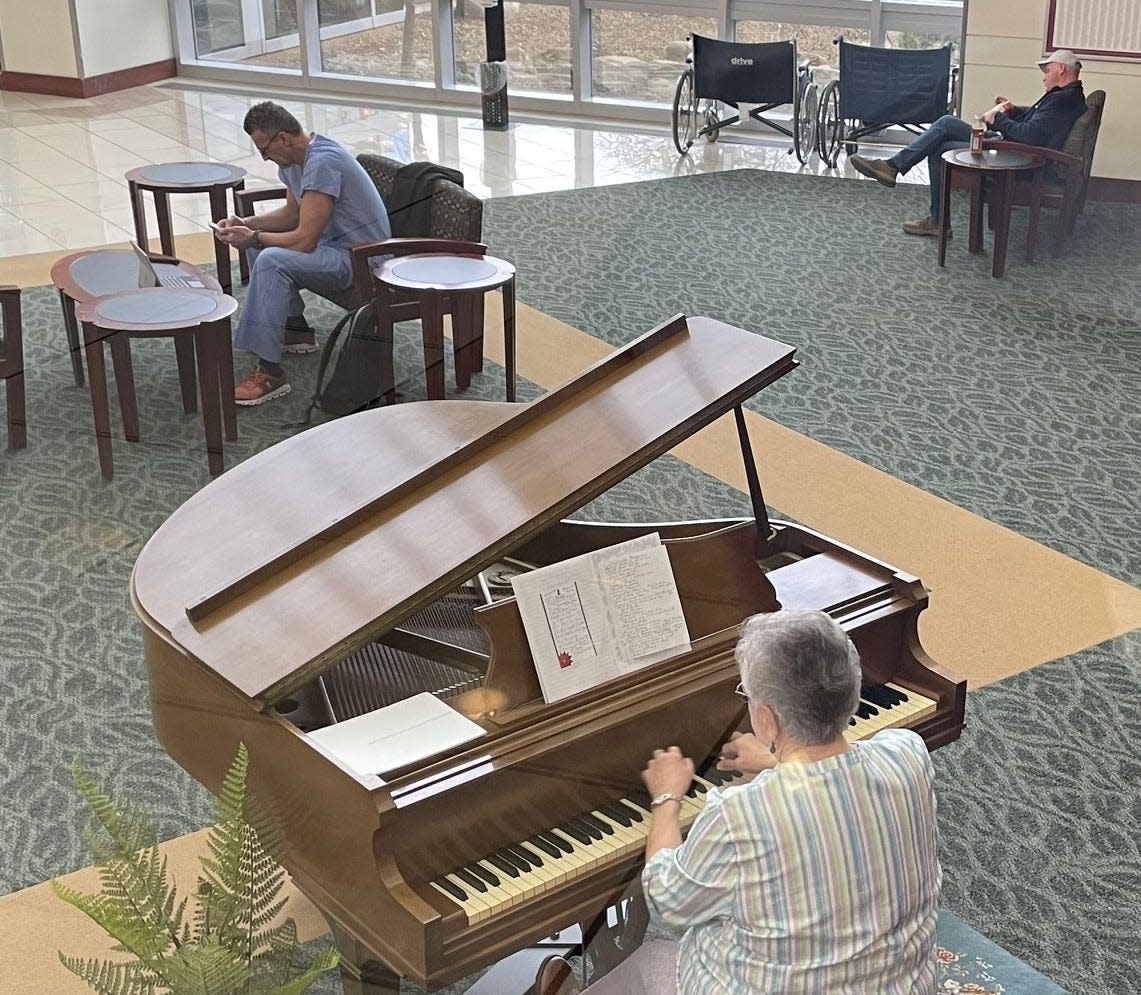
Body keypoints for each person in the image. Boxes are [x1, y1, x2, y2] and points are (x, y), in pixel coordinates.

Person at [532, 609, 942, 995]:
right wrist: (775, 758)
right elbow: (840, 766)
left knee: (658, 951)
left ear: (765, 719)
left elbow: (667, 900)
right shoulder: (907, 754)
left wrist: (667, 797)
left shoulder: (740, 815)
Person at [214, 101, 392, 405]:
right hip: (333, 249)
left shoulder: (322, 162)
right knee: (261, 248)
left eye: (264, 149)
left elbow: (305, 240)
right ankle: (295, 330)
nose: (265, 157)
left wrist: (254, 237)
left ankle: (271, 373)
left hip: (362, 259)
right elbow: (292, 215)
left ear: (283, 138)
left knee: (268, 257)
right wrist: (247, 224)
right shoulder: (295, 163)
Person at [849, 49, 1087, 237]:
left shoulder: (1062, 99)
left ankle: (900, 175)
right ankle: (914, 193)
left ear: (1061, 69)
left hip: (1016, 155)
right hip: (1013, 147)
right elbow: (1037, 126)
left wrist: (1000, 120)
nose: (1044, 76)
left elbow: (1032, 136)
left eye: (1047, 70)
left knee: (942, 131)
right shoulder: (1065, 96)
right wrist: (1013, 112)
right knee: (942, 135)